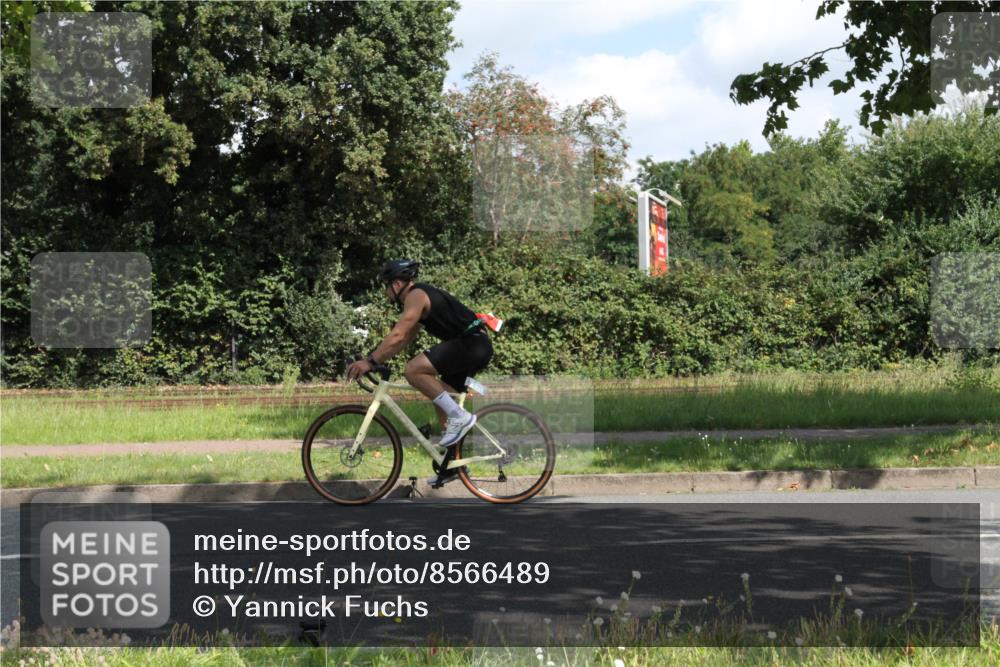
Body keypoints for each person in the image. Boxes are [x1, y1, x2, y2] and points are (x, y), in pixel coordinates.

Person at [346, 259, 493, 486]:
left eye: (386, 286)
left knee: (413, 371)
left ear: (396, 284)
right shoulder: (419, 300)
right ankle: (452, 466)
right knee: (443, 403)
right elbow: (401, 339)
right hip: (473, 346)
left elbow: (397, 334)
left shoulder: (416, 295)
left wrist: (369, 361)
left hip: (471, 344)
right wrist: (376, 361)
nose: (385, 293)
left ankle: (461, 417)